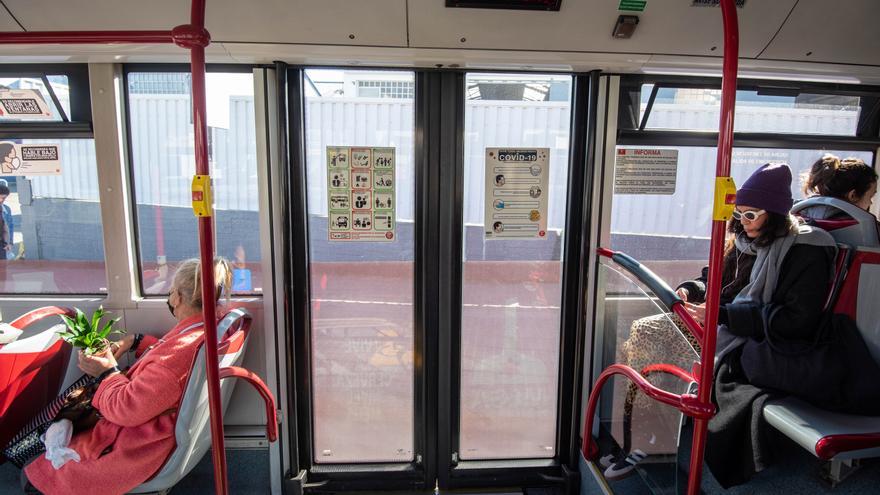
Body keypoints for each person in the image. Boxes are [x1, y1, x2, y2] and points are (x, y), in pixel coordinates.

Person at [603, 164, 838, 485]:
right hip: (722, 322)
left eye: (751, 214)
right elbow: (713, 280)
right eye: (738, 213)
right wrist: (691, 290)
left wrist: (721, 316)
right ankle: (642, 433)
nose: (743, 222)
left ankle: (651, 439)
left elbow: (797, 320)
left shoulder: (803, 252)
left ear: (776, 214)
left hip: (756, 339)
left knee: (648, 333)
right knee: (637, 334)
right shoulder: (743, 242)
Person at [21, 257, 233, 495]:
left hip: (135, 448)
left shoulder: (181, 354)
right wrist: (134, 341)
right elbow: (164, 360)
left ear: (178, 298)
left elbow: (128, 409)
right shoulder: (201, 330)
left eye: (171, 291)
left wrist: (107, 372)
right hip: (145, 434)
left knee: (32, 478)